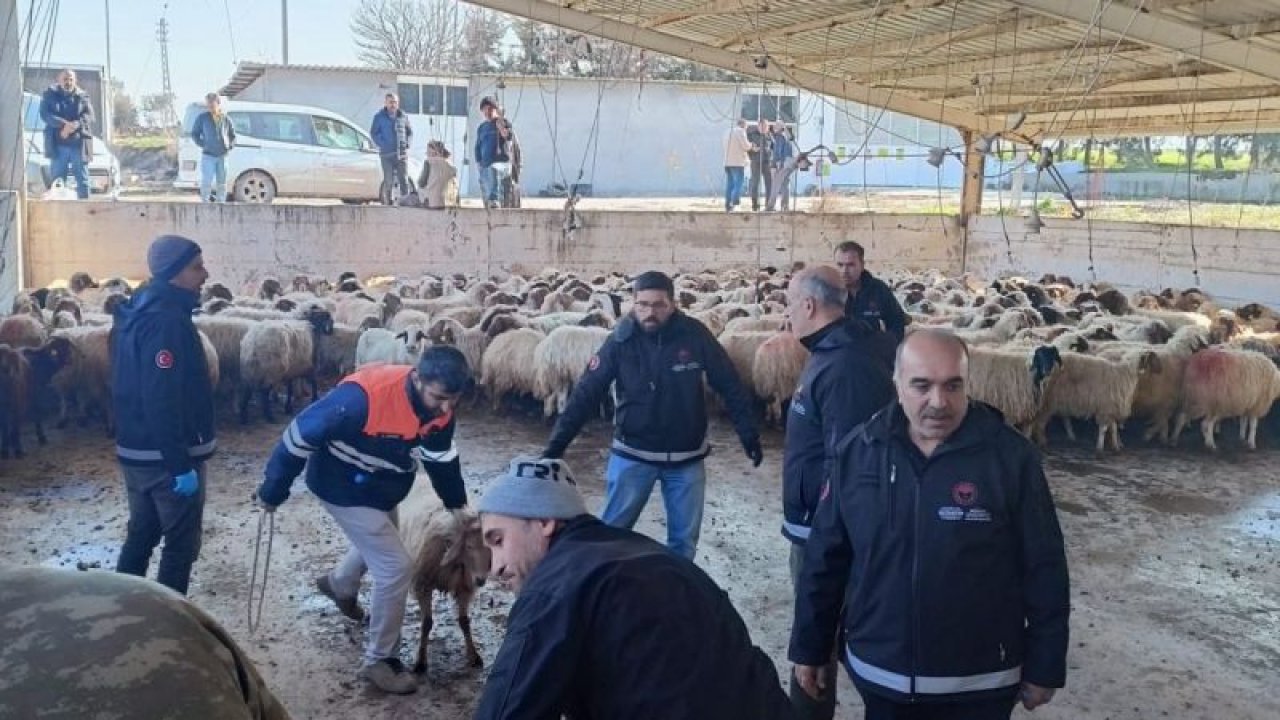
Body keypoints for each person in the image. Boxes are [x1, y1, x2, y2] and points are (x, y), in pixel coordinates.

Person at [790, 330, 1071, 720]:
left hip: (980, 681)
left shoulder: (1010, 459)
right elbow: (826, 557)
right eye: (921, 386)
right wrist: (811, 647)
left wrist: (1046, 663)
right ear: (897, 383)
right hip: (882, 673)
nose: (938, 402)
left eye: (953, 386)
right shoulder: (859, 451)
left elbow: (1045, 567)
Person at [473, 457, 793, 719]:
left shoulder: (555, 586)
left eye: (498, 541)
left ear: (544, 521)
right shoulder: (661, 560)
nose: (495, 567)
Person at [256, 346, 472, 695]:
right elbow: (299, 435)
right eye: (439, 398)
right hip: (341, 485)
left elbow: (441, 457)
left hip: (382, 488)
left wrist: (457, 505)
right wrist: (272, 489)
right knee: (396, 565)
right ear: (417, 379)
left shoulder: (441, 413)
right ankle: (379, 660)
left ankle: (341, 583)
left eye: (454, 400)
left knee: (383, 541)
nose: (446, 408)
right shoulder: (362, 399)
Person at [541, 270, 762, 560]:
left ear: (673, 304)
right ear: (633, 302)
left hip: (686, 459)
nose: (649, 313)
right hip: (633, 455)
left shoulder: (694, 335)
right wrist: (555, 447)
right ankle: (606, 591)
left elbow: (729, 382)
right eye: (642, 304)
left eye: (658, 305)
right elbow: (586, 393)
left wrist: (748, 433)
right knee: (611, 535)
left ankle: (676, 596)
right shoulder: (620, 341)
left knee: (683, 543)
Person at [781, 266, 895, 719]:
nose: (787, 313)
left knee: (818, 643)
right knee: (821, 639)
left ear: (808, 305)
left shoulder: (845, 365)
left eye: (789, 303)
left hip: (825, 535)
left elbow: (847, 465)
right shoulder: (835, 351)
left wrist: (828, 533)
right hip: (817, 525)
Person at [0, 566, 290, 719]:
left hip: (141, 467)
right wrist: (180, 468)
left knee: (143, 528)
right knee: (177, 538)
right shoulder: (153, 608)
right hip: (166, 470)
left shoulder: (152, 607)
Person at [111, 234, 215, 596]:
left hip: (135, 449)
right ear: (174, 273)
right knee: (180, 543)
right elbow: (161, 396)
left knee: (142, 532)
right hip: (163, 458)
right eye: (196, 267)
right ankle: (168, 620)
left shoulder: (135, 309)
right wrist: (179, 464)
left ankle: (123, 607)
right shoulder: (167, 323)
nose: (204, 274)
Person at [835, 240, 910, 345]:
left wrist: (888, 345)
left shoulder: (879, 289)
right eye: (840, 265)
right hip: (838, 353)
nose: (844, 271)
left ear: (862, 265)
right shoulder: (829, 292)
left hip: (873, 353)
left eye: (850, 265)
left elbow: (896, 322)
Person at [38, 68, 95, 199]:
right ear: (59, 80)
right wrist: (63, 125)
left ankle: (85, 213)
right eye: (65, 79)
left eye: (71, 79)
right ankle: (59, 215)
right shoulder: (49, 95)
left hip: (78, 144)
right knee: (58, 182)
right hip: (58, 145)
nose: (68, 82)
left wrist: (75, 125)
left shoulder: (83, 96)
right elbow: (45, 114)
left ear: (75, 81)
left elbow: (89, 115)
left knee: (83, 181)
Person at [190, 92, 237, 203]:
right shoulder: (202, 118)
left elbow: (232, 135)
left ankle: (221, 202)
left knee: (222, 181)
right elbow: (194, 133)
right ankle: (205, 201)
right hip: (208, 155)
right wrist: (203, 144)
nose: (210, 106)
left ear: (218, 103)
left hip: (222, 155)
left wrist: (230, 145)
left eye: (212, 104)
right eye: (208, 104)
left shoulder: (225, 119)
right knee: (207, 180)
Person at [371, 93, 413, 205]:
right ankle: (388, 202)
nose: (393, 105)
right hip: (386, 155)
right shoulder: (379, 117)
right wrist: (383, 144)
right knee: (388, 180)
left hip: (401, 154)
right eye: (390, 102)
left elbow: (409, 132)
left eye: (395, 102)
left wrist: (407, 144)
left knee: (404, 180)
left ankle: (405, 202)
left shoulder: (403, 116)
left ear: (398, 103)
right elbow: (374, 133)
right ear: (385, 103)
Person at [475, 96, 512, 209]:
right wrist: (478, 163)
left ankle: (494, 200)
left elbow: (507, 136)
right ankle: (489, 204)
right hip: (485, 165)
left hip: (501, 165)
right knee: (485, 180)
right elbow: (477, 147)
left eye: (490, 109)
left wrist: (500, 125)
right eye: (484, 109)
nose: (487, 112)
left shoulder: (503, 122)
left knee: (493, 170)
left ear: (495, 109)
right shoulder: (481, 128)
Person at [417, 140, 458, 209]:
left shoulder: (428, 162)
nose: (426, 154)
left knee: (405, 199)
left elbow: (421, 183)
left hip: (431, 202)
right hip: (447, 203)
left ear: (434, 152)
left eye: (428, 152)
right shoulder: (452, 167)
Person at [723, 118, 754, 212]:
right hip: (738, 162)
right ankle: (735, 203)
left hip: (727, 162)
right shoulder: (740, 132)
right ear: (743, 125)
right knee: (738, 184)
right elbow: (746, 146)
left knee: (730, 184)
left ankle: (728, 204)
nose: (746, 129)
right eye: (746, 127)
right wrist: (751, 145)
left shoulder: (727, 132)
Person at [746, 118, 774, 212]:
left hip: (767, 162)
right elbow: (747, 147)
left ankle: (768, 205)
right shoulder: (751, 135)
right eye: (763, 126)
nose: (765, 128)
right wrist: (752, 151)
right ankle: (755, 205)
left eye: (766, 126)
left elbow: (774, 147)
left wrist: (771, 154)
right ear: (759, 126)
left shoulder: (769, 135)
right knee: (755, 184)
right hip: (756, 162)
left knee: (769, 184)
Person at [767, 124, 796, 211]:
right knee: (785, 185)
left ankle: (770, 206)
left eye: (775, 126)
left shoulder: (780, 137)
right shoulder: (787, 137)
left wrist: (777, 162)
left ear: (779, 128)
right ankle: (785, 206)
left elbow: (778, 151)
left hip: (781, 164)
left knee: (775, 185)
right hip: (789, 164)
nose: (773, 128)